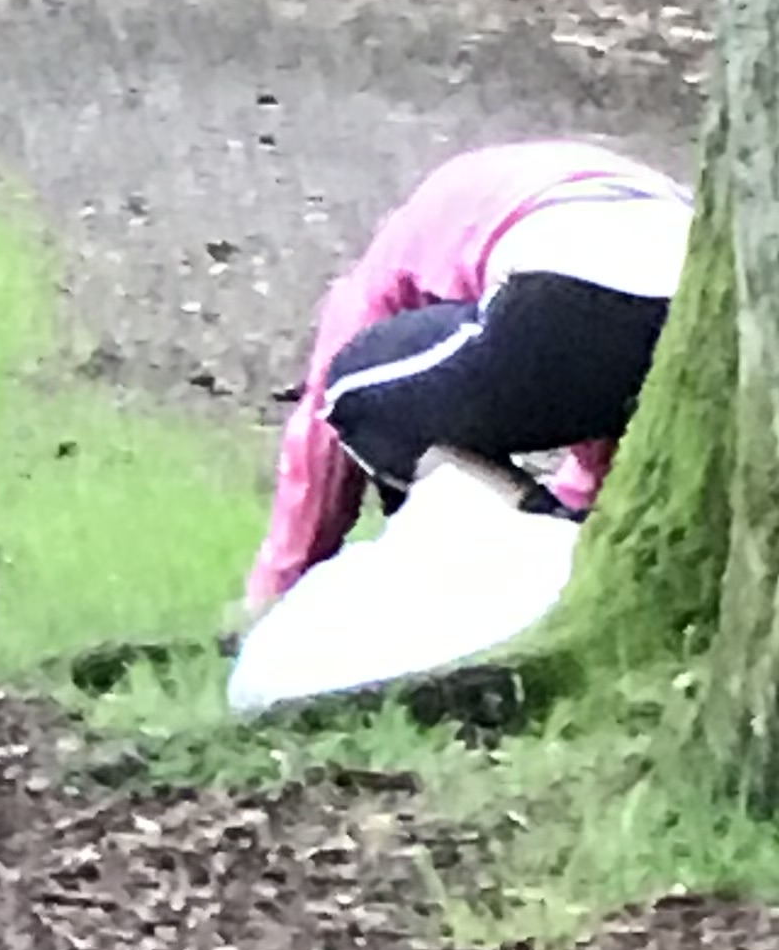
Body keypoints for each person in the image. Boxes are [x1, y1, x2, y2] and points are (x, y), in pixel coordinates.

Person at [244, 139, 693, 614]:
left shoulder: (401, 245)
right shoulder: (560, 179)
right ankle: (577, 555)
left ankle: (541, 556)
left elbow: (323, 426)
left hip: (560, 282)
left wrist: (277, 591)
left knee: (351, 393)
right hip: (687, 296)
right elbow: (598, 392)